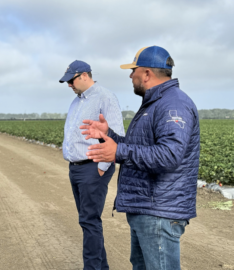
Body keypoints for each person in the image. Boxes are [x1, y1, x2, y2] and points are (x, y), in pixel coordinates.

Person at [80, 46, 200, 270]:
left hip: (158, 212)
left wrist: (119, 152)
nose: (130, 75)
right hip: (148, 209)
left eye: (133, 70)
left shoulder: (173, 104)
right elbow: (141, 148)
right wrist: (109, 136)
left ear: (146, 74)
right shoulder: (155, 103)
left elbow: (169, 155)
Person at [59, 60, 125, 270]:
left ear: (84, 75)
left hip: (93, 167)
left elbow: (116, 136)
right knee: (87, 220)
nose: (69, 85)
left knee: (89, 220)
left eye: (71, 80)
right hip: (76, 168)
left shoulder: (105, 97)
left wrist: (102, 167)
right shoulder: (77, 102)